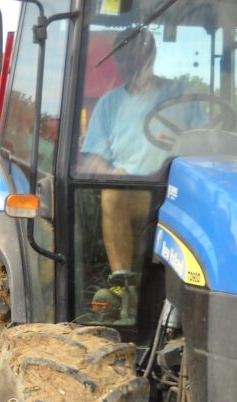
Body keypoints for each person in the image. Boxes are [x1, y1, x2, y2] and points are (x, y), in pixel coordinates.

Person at [80, 28, 202, 284]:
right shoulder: (109, 104)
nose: (131, 63)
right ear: (118, 61)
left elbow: (205, 143)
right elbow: (92, 159)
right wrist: (110, 172)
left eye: (137, 56)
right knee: (113, 193)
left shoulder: (182, 95)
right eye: (125, 57)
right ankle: (122, 285)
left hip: (182, 194)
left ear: (152, 55)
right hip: (136, 196)